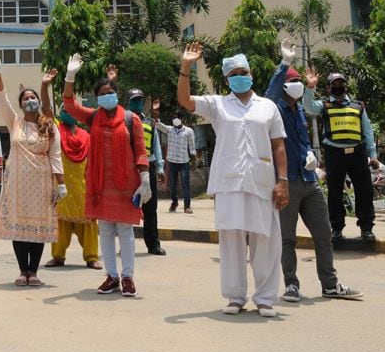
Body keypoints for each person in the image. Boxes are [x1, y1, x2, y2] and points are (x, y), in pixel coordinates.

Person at [178, 43, 289, 317]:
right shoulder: (217, 104)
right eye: (235, 73)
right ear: (227, 79)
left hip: (262, 182)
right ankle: (235, 297)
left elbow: (278, 146)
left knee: (266, 240)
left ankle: (264, 298)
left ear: (251, 74)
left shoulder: (268, 106)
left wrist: (283, 179)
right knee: (231, 241)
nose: (241, 76)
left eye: (244, 71)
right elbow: (186, 101)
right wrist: (185, 67)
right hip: (229, 183)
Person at [268, 42, 362, 301]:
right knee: (288, 239)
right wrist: (284, 64)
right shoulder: (274, 108)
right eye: (294, 80)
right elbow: (270, 93)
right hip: (286, 183)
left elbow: (304, 140)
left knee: (324, 236)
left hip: (309, 181)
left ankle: (330, 285)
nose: (297, 83)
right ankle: (291, 285)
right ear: (285, 86)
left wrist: (310, 153)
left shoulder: (298, 110)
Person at [62, 55, 148, 298]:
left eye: (110, 92)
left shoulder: (132, 120)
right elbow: (69, 105)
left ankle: (128, 277)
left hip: (125, 186)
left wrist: (146, 179)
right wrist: (70, 77)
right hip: (100, 185)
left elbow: (141, 151)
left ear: (117, 95)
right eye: (101, 94)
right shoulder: (92, 117)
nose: (106, 97)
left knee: (126, 231)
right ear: (97, 98)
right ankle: (112, 276)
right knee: (106, 231)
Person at [0, 58, 63, 286]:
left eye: (33, 98)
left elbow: (55, 154)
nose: (30, 101)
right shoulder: (15, 122)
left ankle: (34, 271)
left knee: (38, 227)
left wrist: (61, 184)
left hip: (42, 182)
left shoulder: (48, 125)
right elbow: (1, 96)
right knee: (19, 227)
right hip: (17, 184)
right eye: (26, 98)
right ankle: (23, 271)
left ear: (38, 102)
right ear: (21, 105)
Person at [302, 66, 379, 242]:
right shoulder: (324, 106)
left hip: (357, 154)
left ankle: (366, 228)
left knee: (364, 191)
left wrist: (372, 154)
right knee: (335, 193)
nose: (338, 87)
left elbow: (367, 131)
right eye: (334, 84)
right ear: (328, 88)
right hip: (334, 155)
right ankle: (336, 229)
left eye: (341, 83)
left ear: (346, 86)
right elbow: (308, 107)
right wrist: (310, 87)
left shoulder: (358, 106)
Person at [39, 70, 102, 270]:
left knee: (89, 224)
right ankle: (58, 256)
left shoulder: (87, 135)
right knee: (60, 223)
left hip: (84, 189)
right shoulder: (57, 128)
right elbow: (47, 110)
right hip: (63, 188)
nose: (67, 113)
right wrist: (44, 86)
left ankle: (92, 257)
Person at [123, 81, 166, 255]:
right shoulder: (123, 121)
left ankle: (153, 244)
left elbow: (156, 146)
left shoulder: (149, 122)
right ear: (128, 102)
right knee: (126, 209)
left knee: (150, 208)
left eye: (139, 100)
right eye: (134, 100)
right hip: (128, 168)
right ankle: (126, 245)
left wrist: (161, 168)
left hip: (149, 166)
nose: (137, 103)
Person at [152, 100, 196, 213]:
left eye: (177, 117)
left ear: (181, 119)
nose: (175, 119)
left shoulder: (188, 131)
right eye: (174, 117)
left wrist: (193, 161)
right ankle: (174, 202)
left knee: (185, 184)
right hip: (171, 161)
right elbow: (157, 124)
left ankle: (187, 206)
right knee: (172, 185)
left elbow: (192, 147)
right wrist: (156, 112)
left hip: (184, 162)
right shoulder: (170, 130)